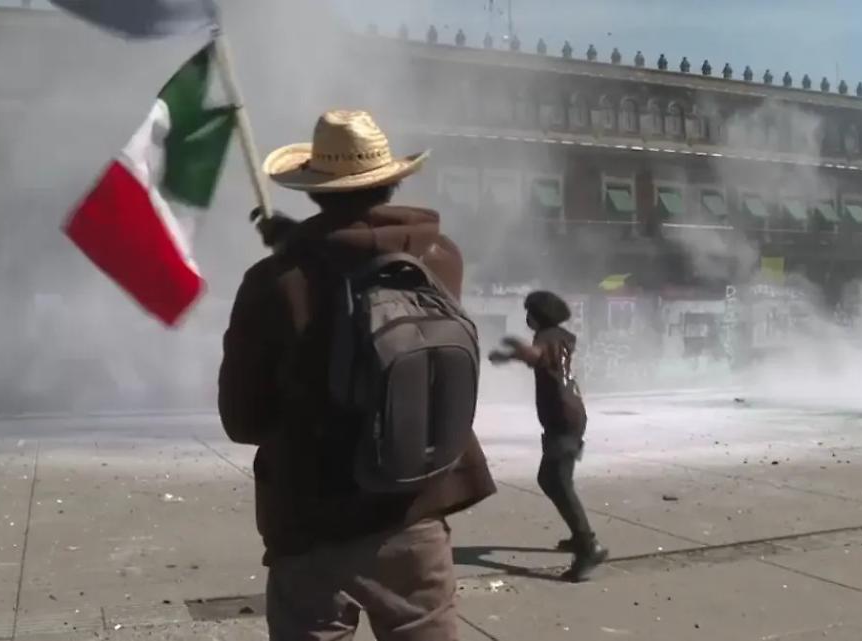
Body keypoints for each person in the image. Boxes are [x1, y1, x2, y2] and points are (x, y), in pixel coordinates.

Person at [218, 110, 496, 641]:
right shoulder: (441, 258)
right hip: (416, 506)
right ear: (391, 181)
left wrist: (291, 253)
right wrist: (297, 247)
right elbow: (360, 253)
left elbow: (243, 418)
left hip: (313, 518)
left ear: (314, 190)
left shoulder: (275, 281)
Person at [488, 290, 609, 582]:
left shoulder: (546, 337)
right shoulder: (562, 337)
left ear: (539, 315)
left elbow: (535, 355)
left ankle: (588, 544)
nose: (526, 318)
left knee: (556, 480)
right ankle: (580, 536)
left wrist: (512, 351)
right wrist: (514, 355)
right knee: (553, 478)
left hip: (562, 418)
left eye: (528, 312)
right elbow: (542, 361)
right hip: (570, 415)